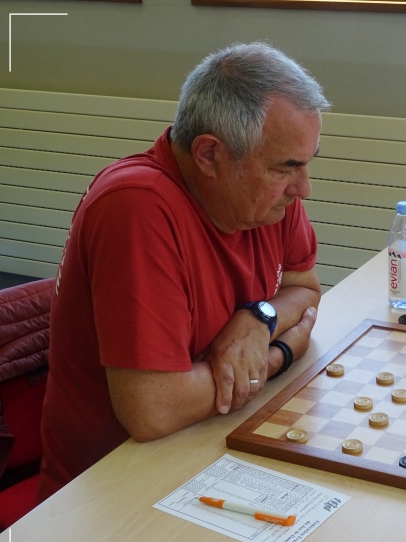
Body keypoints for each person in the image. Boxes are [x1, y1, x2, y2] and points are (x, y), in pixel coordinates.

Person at [38, 42, 331, 502]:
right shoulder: (135, 208)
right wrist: (279, 355)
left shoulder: (270, 200)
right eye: (285, 168)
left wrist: (259, 319)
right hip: (110, 491)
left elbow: (304, 289)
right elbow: (153, 409)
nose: (304, 188)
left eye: (306, 163)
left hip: (210, 447)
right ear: (209, 155)